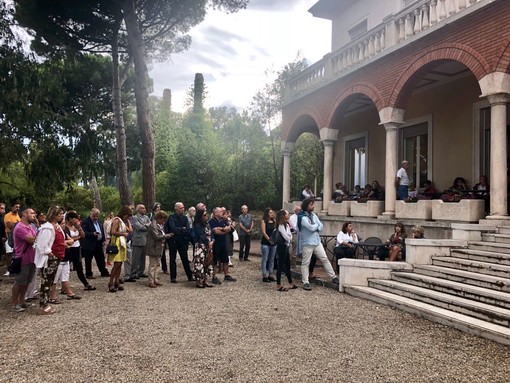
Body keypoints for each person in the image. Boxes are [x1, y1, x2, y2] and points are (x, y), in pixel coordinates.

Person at [299, 198, 339, 291]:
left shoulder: (313, 215)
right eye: (311, 205)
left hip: (317, 242)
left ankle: (333, 277)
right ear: (307, 206)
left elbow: (321, 226)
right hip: (308, 243)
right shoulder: (302, 217)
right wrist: (316, 226)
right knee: (306, 262)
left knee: (324, 259)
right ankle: (305, 281)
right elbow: (311, 228)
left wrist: (316, 226)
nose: (313, 206)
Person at [35, 205, 65, 315]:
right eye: (60, 214)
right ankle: (43, 305)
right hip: (49, 258)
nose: (62, 216)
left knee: (50, 280)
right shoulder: (46, 228)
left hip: (56, 257)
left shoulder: (56, 226)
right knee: (46, 281)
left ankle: (46, 302)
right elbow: (42, 244)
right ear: (54, 215)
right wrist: (50, 253)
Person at [11, 207, 37, 312]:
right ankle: (14, 303)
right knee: (19, 281)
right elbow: (32, 240)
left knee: (26, 282)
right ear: (25, 214)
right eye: (32, 213)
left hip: (31, 258)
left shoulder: (31, 226)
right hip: (22, 259)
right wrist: (38, 238)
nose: (34, 215)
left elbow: (36, 237)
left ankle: (22, 301)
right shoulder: (20, 227)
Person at [63, 211, 95, 291]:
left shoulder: (76, 227)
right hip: (69, 248)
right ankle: (64, 287)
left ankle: (86, 284)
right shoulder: (65, 228)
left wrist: (79, 228)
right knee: (65, 268)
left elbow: (83, 236)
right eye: (74, 219)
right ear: (69, 219)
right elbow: (67, 239)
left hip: (77, 248)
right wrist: (77, 238)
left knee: (79, 267)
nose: (76, 220)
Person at [164, 202, 194, 283]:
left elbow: (188, 229)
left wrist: (180, 230)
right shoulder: (171, 217)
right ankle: (173, 277)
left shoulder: (185, 218)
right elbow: (173, 228)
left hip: (182, 241)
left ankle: (190, 276)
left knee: (185, 258)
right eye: (181, 208)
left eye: (183, 207)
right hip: (173, 241)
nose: (183, 209)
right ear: (176, 208)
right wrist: (182, 229)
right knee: (172, 258)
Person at [108, 206, 132, 292]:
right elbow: (113, 232)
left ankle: (117, 281)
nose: (127, 218)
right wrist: (123, 234)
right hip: (117, 242)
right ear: (123, 214)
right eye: (127, 216)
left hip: (122, 243)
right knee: (116, 264)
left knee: (120, 263)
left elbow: (130, 230)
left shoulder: (123, 221)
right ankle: (111, 283)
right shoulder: (117, 220)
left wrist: (128, 223)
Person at [209, 207, 237, 283]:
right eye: (220, 211)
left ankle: (226, 275)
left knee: (225, 260)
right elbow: (215, 231)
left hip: (223, 243)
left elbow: (230, 229)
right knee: (215, 261)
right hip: (215, 244)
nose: (222, 212)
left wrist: (222, 229)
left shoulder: (224, 220)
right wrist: (225, 230)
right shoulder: (211, 222)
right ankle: (214, 277)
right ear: (215, 213)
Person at [146, 210, 172, 288]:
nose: (164, 221)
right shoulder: (153, 225)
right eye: (163, 219)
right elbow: (157, 236)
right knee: (153, 265)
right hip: (154, 247)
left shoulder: (159, 225)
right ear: (159, 218)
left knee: (157, 264)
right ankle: (151, 281)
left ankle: (155, 279)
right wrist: (168, 235)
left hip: (159, 247)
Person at [81, 208, 109, 279]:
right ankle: (89, 273)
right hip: (89, 243)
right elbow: (84, 233)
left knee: (101, 258)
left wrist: (103, 239)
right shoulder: (86, 221)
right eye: (94, 216)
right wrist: (92, 234)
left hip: (98, 243)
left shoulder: (99, 221)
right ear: (91, 214)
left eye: (97, 216)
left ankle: (103, 271)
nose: (96, 218)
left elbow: (102, 230)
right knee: (88, 259)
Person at [274, 210, 297, 292]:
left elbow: (289, 235)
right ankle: (278, 284)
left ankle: (290, 282)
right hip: (281, 247)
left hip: (286, 246)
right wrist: (289, 238)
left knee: (287, 265)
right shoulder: (280, 225)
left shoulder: (286, 225)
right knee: (280, 265)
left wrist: (289, 238)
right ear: (283, 216)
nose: (288, 215)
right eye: (287, 214)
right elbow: (286, 237)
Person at [192, 209, 214, 288]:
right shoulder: (197, 225)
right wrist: (208, 242)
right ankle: (198, 281)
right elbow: (201, 235)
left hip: (209, 245)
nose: (206, 216)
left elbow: (211, 234)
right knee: (200, 263)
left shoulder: (208, 224)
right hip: (201, 246)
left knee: (208, 262)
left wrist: (212, 241)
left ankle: (206, 280)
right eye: (204, 215)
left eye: (206, 215)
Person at [129, 204, 151, 280]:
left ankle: (140, 272)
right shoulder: (134, 218)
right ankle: (133, 273)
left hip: (145, 239)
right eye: (142, 208)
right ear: (138, 210)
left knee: (143, 258)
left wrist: (146, 225)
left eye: (145, 208)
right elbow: (139, 227)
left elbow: (150, 227)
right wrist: (147, 225)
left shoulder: (147, 217)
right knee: (136, 258)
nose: (144, 209)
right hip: (137, 240)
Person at [260, 207, 277, 283]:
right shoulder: (264, 221)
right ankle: (264, 275)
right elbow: (264, 232)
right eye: (270, 213)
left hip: (273, 242)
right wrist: (269, 240)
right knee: (265, 258)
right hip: (266, 242)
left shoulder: (274, 221)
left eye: (272, 213)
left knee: (272, 258)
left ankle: (270, 274)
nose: (272, 214)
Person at [4, 202, 20, 276]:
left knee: (15, 254)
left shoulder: (18, 216)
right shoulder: (8, 215)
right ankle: (8, 269)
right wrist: (17, 224)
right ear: (12, 207)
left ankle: (13, 269)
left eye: (18, 207)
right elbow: (10, 226)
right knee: (9, 254)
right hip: (9, 236)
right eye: (16, 207)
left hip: (16, 237)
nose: (17, 208)